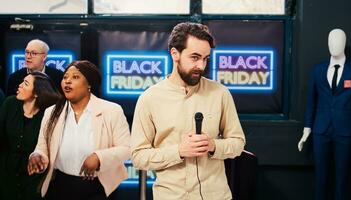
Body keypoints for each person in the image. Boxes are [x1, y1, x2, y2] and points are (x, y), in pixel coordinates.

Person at [131, 22, 246, 200]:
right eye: (195, 57)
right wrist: (178, 151)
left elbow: (238, 143)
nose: (201, 65)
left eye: (206, 58)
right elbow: (139, 157)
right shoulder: (149, 99)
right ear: (175, 53)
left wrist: (213, 145)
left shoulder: (220, 93)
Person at [27, 60, 131, 200]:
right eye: (65, 77)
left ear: (89, 84)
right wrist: (37, 156)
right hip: (60, 186)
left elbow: (127, 149)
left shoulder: (111, 110)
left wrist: (99, 157)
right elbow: (42, 147)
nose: (67, 81)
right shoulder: (52, 112)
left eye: (75, 77)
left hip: (98, 187)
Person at [298, 29, 351, 200]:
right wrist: (307, 129)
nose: (334, 45)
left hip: (345, 131)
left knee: (342, 177)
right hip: (320, 130)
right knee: (320, 176)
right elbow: (311, 101)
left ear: (344, 43)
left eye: (338, 41)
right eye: (331, 40)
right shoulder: (318, 70)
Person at [0, 71, 61, 200]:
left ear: (36, 93)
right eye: (22, 81)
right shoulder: (9, 103)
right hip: (7, 174)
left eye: (25, 84)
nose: (20, 85)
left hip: (34, 178)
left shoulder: (49, 115)